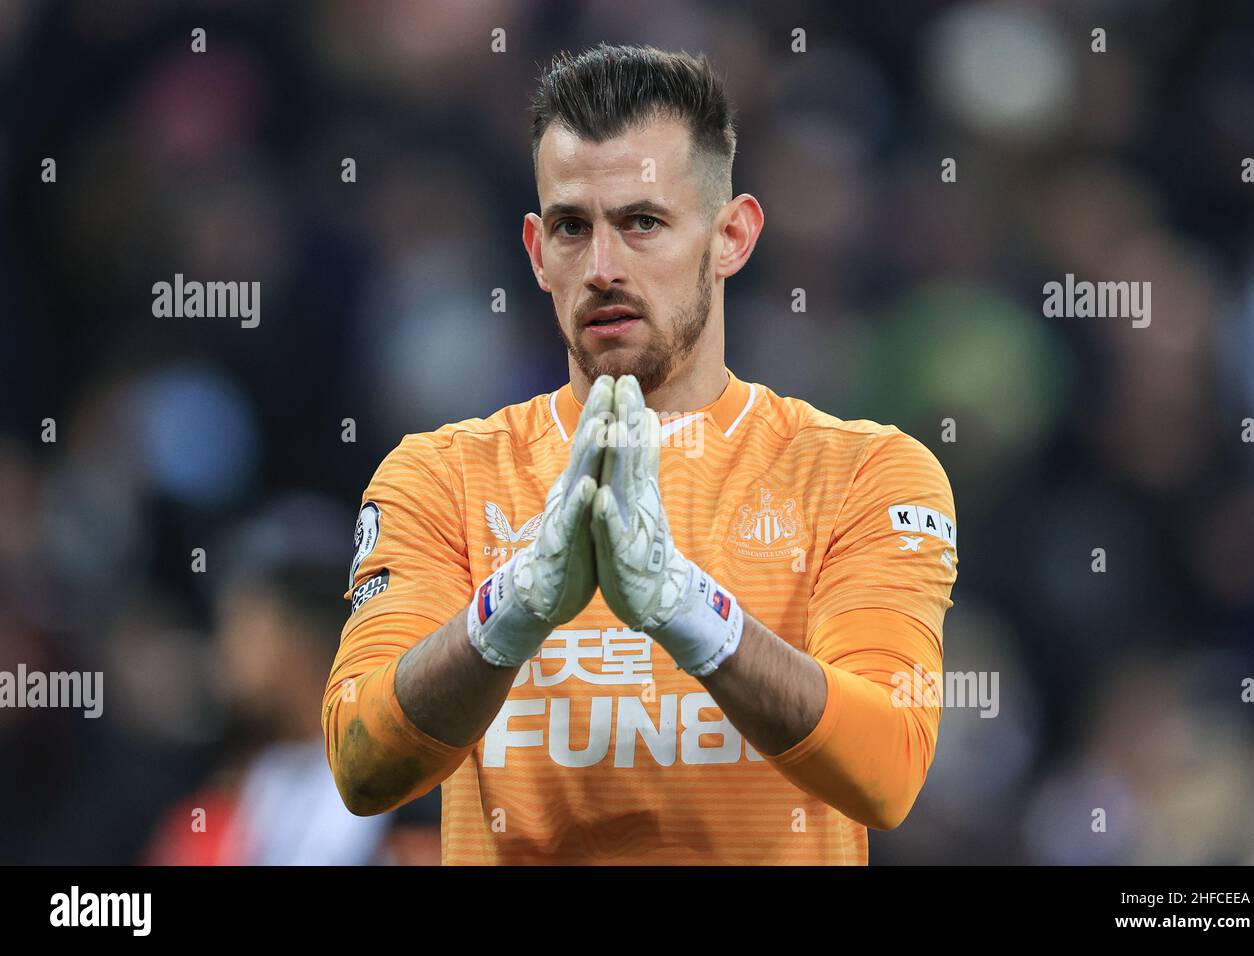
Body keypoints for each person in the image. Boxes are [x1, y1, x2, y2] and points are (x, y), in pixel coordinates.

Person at [323, 43, 957, 864]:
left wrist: (686, 609)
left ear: (731, 236)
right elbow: (361, 766)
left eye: (643, 222)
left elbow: (887, 770)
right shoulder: (441, 478)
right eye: (571, 229)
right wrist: (510, 609)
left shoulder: (862, 475)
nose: (603, 268)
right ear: (534, 252)